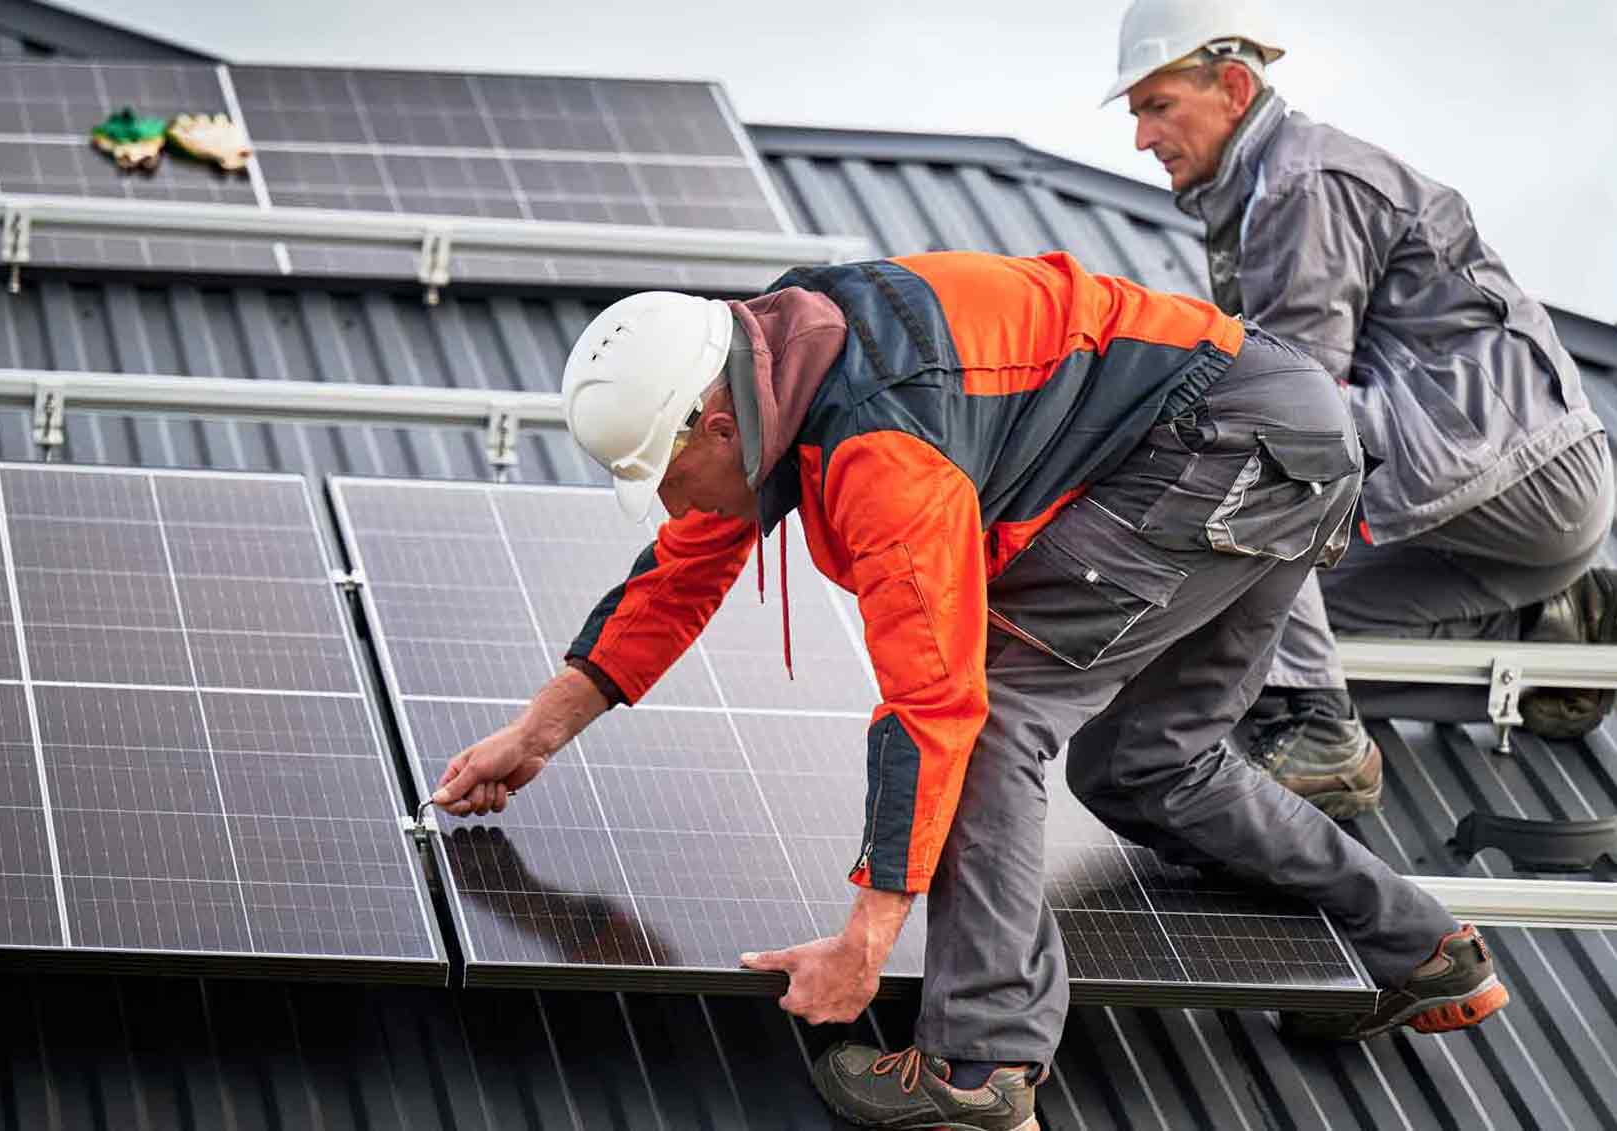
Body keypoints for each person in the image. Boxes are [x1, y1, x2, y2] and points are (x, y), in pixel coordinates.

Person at [430, 251, 1507, 1130]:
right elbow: (681, 570)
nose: (671, 508)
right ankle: (1421, 949)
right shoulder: (762, 366)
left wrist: (865, 942)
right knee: (1146, 765)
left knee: (994, 724)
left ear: (713, 429)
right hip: (1281, 434)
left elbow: (938, 706)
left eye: (664, 482)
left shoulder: (880, 453)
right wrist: (536, 734)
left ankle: (980, 1068)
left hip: (1214, 446)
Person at [1107, 0, 1615, 818]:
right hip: (1512, 517)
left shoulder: (1298, 182)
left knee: (1263, 454)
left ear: (1234, 87)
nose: (1140, 138)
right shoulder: (1263, 192)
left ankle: (1319, 728)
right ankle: (1547, 630)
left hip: (1516, 470)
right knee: (1243, 623)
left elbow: (1296, 418)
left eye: (1158, 106)